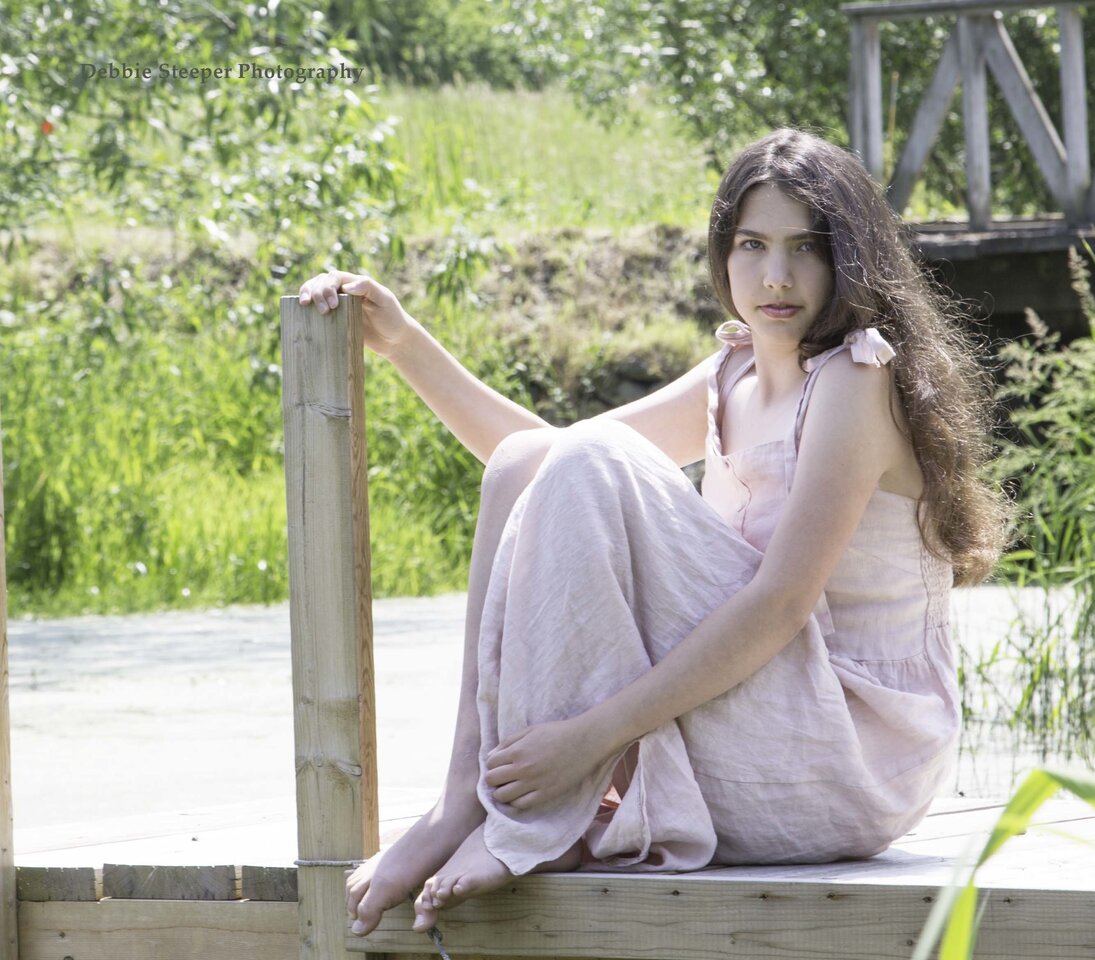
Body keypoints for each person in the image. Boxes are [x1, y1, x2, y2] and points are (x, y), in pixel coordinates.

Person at [296, 127, 1008, 938]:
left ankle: (530, 817)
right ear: (722, 253)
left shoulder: (855, 377)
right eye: (752, 245)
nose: (776, 276)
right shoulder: (733, 372)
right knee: (534, 457)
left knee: (587, 454)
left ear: (850, 259)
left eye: (807, 248)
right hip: (765, 723)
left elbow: (779, 604)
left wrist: (585, 742)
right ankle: (469, 796)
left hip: (848, 756)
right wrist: (402, 343)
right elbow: (541, 469)